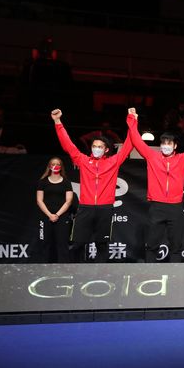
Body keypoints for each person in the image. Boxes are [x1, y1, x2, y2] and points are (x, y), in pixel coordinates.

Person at [127, 107, 184, 262]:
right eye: (163, 143)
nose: (165, 145)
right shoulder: (152, 156)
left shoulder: (182, 159)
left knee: (176, 245)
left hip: (175, 207)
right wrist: (132, 119)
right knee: (152, 244)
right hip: (157, 206)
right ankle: (149, 275)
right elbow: (136, 140)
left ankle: (174, 276)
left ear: (175, 146)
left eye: (169, 143)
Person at [51, 108, 133, 262]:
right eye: (94, 146)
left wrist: (132, 120)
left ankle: (100, 278)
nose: (96, 149)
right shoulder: (83, 160)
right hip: (85, 208)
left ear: (106, 150)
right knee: (78, 244)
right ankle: (76, 274)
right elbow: (68, 145)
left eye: (100, 147)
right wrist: (57, 122)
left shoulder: (113, 162)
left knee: (102, 245)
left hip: (104, 208)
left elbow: (129, 145)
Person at [35, 157, 73, 263]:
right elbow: (39, 200)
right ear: (49, 166)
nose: (55, 166)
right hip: (45, 217)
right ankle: (44, 269)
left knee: (62, 244)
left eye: (57, 164)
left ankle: (63, 269)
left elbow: (68, 201)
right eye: (53, 164)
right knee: (44, 243)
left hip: (62, 217)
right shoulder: (42, 182)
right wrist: (49, 215)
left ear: (61, 167)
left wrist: (57, 215)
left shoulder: (66, 182)